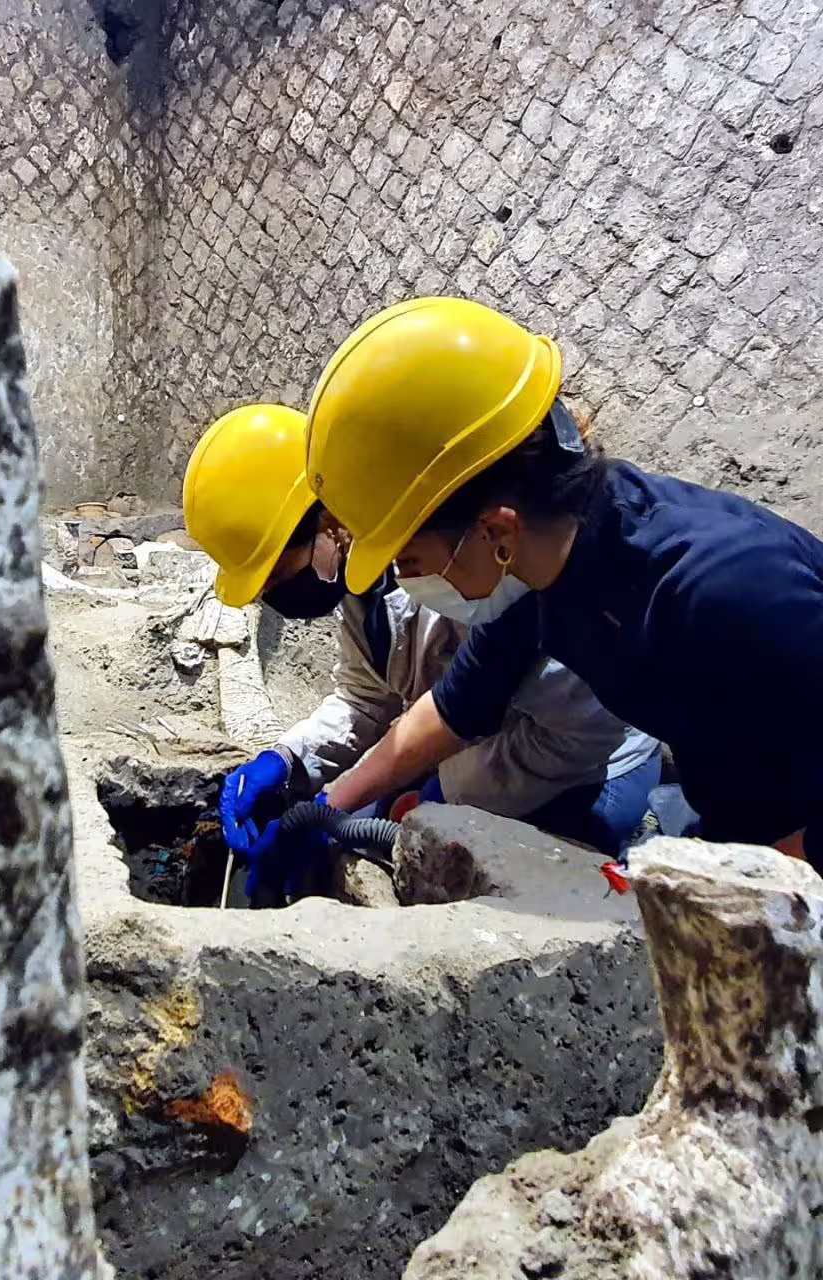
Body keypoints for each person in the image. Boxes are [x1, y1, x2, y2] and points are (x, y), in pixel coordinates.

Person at [306, 297, 823, 873]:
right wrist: (330, 806)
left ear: (496, 530)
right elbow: (461, 703)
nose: (408, 581)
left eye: (410, 560)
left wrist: (749, 881)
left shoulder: (728, 590)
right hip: (737, 814)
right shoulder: (542, 570)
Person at [182, 403, 661, 897]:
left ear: (329, 522)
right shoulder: (360, 585)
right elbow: (366, 699)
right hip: (468, 750)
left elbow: (575, 737)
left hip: (586, 769)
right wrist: (287, 760)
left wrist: (438, 795)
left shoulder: (476, 573)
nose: (278, 595)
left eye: (280, 573)